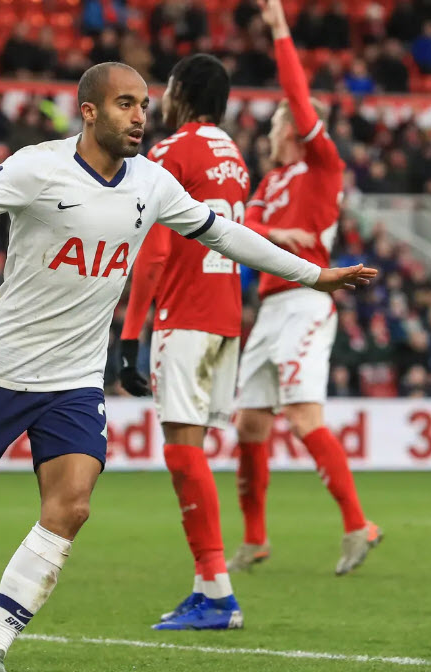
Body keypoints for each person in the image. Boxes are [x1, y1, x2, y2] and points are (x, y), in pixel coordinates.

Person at [0, 62, 376, 672]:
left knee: (70, 506)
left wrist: (314, 274)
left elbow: (223, 233)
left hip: (73, 379)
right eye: (126, 104)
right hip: (1, 367)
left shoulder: (151, 182)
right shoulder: (36, 167)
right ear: (90, 112)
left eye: (145, 105)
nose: (140, 117)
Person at [119, 53, 313, 631]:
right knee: (190, 445)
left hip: (185, 309)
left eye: (166, 90)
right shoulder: (232, 155)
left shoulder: (169, 151)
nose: (160, 100)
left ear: (180, 91)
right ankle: (208, 585)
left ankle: (219, 593)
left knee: (181, 448)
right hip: (227, 309)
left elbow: (154, 249)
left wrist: (131, 335)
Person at [227, 0, 382, 577]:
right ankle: (256, 538)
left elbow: (297, 94)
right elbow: (242, 227)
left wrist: (280, 30)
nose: (271, 127)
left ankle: (356, 524)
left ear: (293, 125)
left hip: (309, 301)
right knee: (250, 425)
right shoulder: (271, 180)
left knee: (303, 414)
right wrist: (277, 230)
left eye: (277, 121)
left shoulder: (323, 165)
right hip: (268, 308)